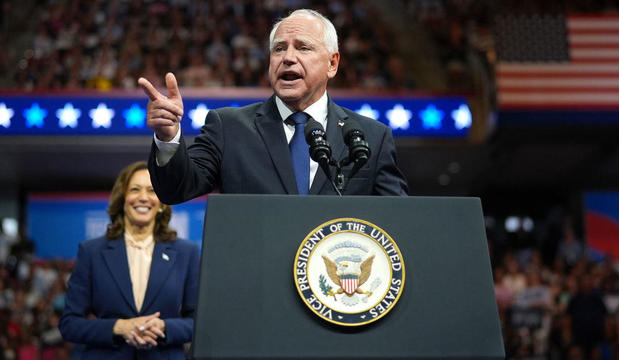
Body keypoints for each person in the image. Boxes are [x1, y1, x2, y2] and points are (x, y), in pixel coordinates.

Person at [138, 9, 408, 205]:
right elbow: (176, 190)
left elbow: (401, 221)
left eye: (303, 48)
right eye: (279, 49)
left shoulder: (371, 137)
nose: (288, 58)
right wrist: (167, 137)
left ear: (332, 63)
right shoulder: (229, 127)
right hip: (257, 278)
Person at [59, 161, 199, 359]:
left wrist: (165, 327)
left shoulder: (187, 252)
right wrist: (118, 327)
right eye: (135, 189)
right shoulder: (91, 251)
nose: (143, 197)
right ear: (122, 198)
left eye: (152, 191)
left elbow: (199, 323)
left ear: (161, 202)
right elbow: (69, 324)